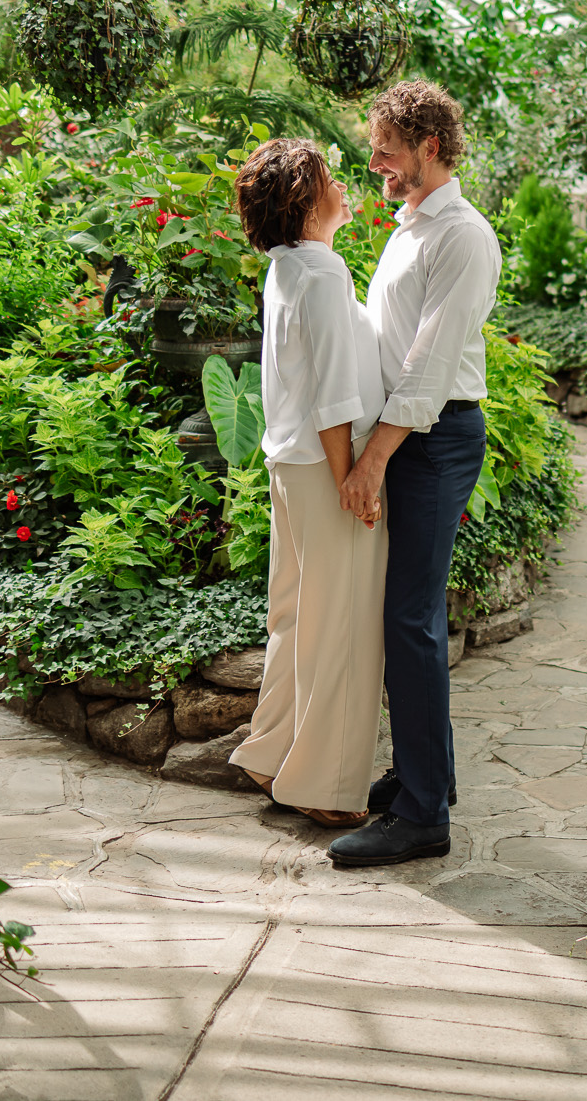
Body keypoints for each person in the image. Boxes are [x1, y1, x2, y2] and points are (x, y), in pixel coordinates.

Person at [329, 80, 501, 868]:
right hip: (408, 437)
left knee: (413, 620)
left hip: (432, 439)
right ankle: (423, 778)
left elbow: (429, 372)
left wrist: (372, 457)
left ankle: (425, 816)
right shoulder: (409, 229)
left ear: (430, 147)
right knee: (404, 616)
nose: (375, 164)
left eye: (388, 151)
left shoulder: (462, 238)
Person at [227, 139, 387, 828]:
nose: (343, 184)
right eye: (329, 177)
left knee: (297, 616)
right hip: (326, 465)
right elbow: (332, 394)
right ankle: (321, 784)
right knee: (342, 625)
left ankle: (271, 752)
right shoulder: (320, 272)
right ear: (302, 197)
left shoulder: (286, 266)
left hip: (291, 462)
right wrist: (352, 474)